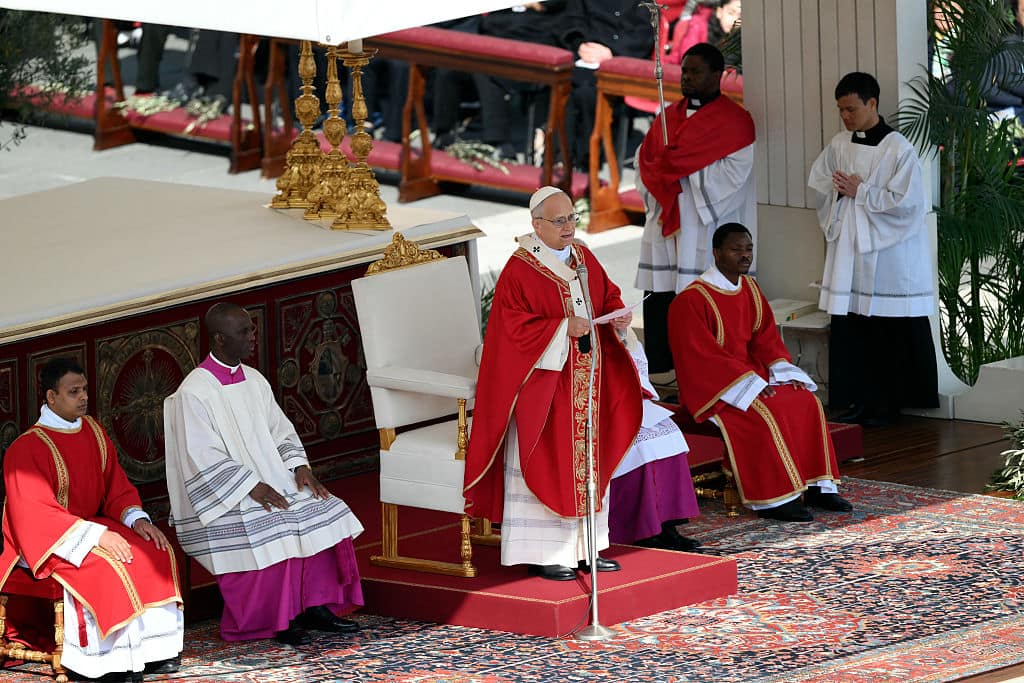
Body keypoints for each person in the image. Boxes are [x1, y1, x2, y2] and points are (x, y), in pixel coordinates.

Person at [463, 186, 643, 580]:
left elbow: (606, 294)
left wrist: (617, 315)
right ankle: (545, 553)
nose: (568, 227)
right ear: (536, 224)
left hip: (588, 382)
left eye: (572, 218)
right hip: (545, 390)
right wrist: (562, 328)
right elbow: (511, 331)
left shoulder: (584, 257)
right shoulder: (521, 268)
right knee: (549, 463)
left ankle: (587, 548)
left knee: (588, 464)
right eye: (559, 220)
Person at [163, 303, 364, 645]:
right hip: (225, 495)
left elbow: (280, 431)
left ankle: (313, 606)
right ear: (219, 339)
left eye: (253, 329)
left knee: (326, 508)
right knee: (278, 524)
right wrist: (251, 487)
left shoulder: (254, 380)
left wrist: (300, 468)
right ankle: (279, 618)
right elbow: (201, 457)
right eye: (244, 332)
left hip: (272, 478)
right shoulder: (193, 393)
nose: (253, 337)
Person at [0, 357, 183, 680]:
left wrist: (136, 519)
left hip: (87, 527)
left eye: (84, 389)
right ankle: (103, 664)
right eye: (74, 392)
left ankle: (155, 652)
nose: (84, 397)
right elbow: (35, 515)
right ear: (51, 397)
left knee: (152, 548)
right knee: (109, 564)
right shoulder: (26, 449)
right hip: (47, 541)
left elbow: (115, 485)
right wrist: (97, 536)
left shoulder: (94, 432)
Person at [668, 224, 852, 522]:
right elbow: (699, 357)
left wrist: (779, 369)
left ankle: (819, 487)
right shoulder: (692, 300)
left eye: (748, 249)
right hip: (715, 388)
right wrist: (747, 383)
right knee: (763, 412)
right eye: (735, 249)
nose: (744, 255)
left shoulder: (750, 289)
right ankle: (774, 500)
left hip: (751, 377)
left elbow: (765, 338)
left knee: (806, 401)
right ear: (716, 253)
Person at [808, 72, 938, 427]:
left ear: (872, 104)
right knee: (853, 328)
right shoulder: (839, 143)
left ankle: (886, 405)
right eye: (841, 110)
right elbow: (819, 181)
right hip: (850, 251)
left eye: (851, 109)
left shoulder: (899, 149)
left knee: (885, 331)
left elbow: (909, 205)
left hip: (887, 257)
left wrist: (861, 191)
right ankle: (857, 400)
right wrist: (838, 189)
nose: (846, 116)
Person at [636, 42, 756, 379]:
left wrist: (680, 173)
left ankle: (702, 370)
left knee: (699, 299)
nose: (686, 78)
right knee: (661, 295)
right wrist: (661, 180)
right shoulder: (668, 116)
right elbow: (645, 163)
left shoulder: (735, 122)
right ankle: (661, 368)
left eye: (695, 72)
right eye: (684, 71)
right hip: (666, 222)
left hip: (702, 224)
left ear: (717, 75)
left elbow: (735, 174)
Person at [609, 336, 702, 551]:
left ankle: (668, 526)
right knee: (643, 447)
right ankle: (643, 531)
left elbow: (638, 369)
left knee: (672, 436)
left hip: (632, 400)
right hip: (603, 405)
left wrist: (622, 333)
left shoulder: (622, 329)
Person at [558, 0, 654, 169]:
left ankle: (587, 159)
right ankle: (561, 157)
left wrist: (612, 52)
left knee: (587, 92)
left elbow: (644, 33)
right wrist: (579, 44)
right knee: (562, 86)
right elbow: (572, 19)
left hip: (622, 60)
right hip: (586, 57)